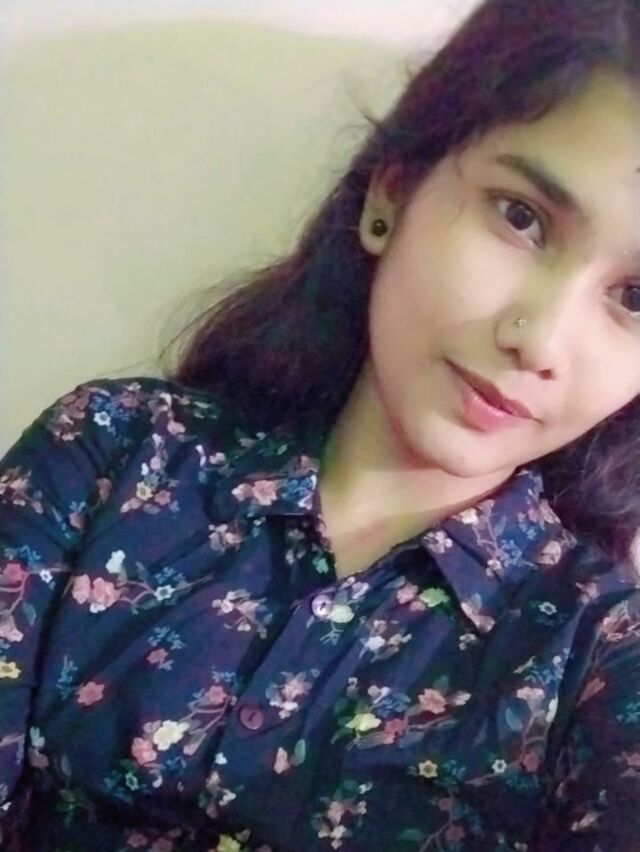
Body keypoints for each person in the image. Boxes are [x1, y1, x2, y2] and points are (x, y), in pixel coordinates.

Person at [2, 0, 640, 848]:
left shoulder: (600, 653)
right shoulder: (115, 452)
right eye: (521, 217)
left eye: (635, 298)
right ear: (392, 192)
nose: (540, 339)